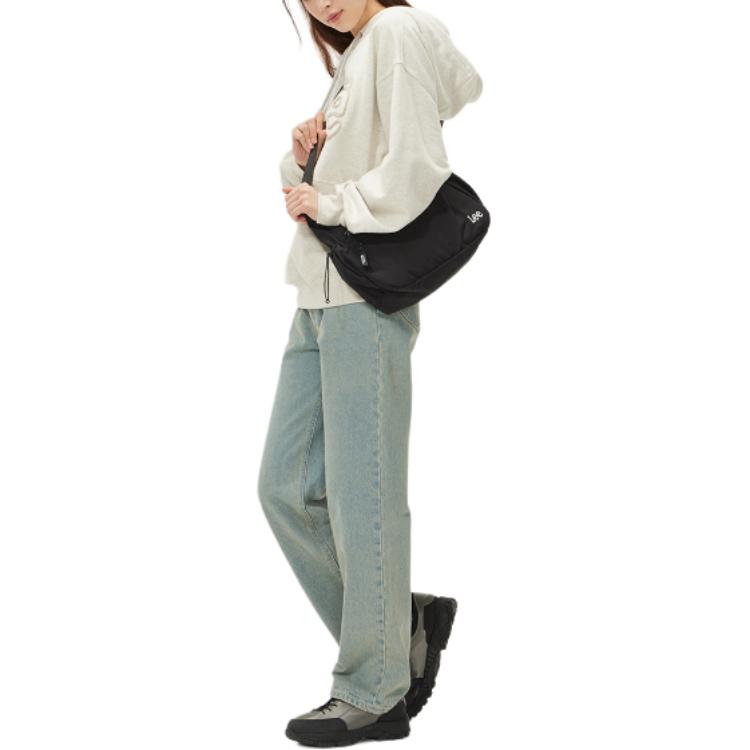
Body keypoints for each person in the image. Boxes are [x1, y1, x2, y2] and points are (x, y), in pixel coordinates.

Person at [258, 1, 483, 744]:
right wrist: (305, 154)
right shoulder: (358, 54)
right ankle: (402, 625)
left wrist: (329, 199)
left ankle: (374, 690)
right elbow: (334, 182)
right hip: (318, 295)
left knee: (365, 498)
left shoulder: (395, 32)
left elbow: (416, 168)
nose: (321, 1)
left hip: (362, 300)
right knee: (285, 488)